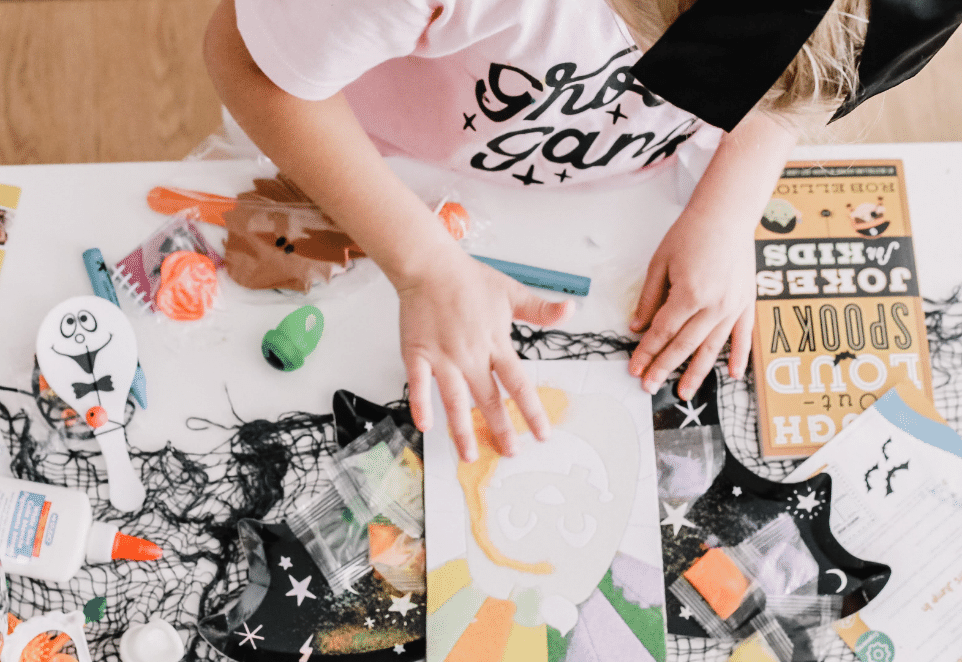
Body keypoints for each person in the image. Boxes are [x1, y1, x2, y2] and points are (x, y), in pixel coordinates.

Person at [200, 0, 888, 462]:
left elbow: (796, 78)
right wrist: (422, 262)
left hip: (618, 189)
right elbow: (247, 62)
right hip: (363, 166)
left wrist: (730, 206)